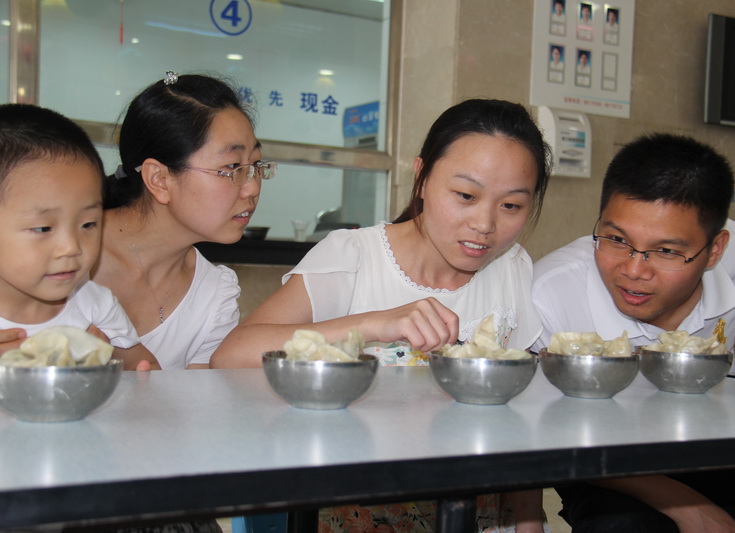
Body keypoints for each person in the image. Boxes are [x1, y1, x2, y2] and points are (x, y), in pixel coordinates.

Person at [213, 99, 552, 532]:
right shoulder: (354, 258)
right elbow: (231, 356)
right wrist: (372, 324)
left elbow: (518, 417)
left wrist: (530, 521)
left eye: (511, 206)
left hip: (478, 512)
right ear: (422, 177)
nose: (485, 224)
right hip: (359, 510)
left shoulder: (512, 269)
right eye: (466, 196)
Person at [531, 133, 735, 532]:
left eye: (667, 251)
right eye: (617, 239)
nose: (634, 270)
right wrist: (690, 508)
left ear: (715, 250)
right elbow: (549, 430)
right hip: (600, 456)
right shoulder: (549, 295)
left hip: (712, 442)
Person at [90, 72, 275, 369]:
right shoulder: (63, 252)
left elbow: (196, 398)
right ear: (159, 179)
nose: (253, 187)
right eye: (232, 167)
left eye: (255, 164)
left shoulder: (215, 294)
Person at [0, 103, 158, 371]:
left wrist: (111, 363)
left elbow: (147, 370)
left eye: (88, 224)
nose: (71, 247)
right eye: (43, 228)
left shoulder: (94, 305)